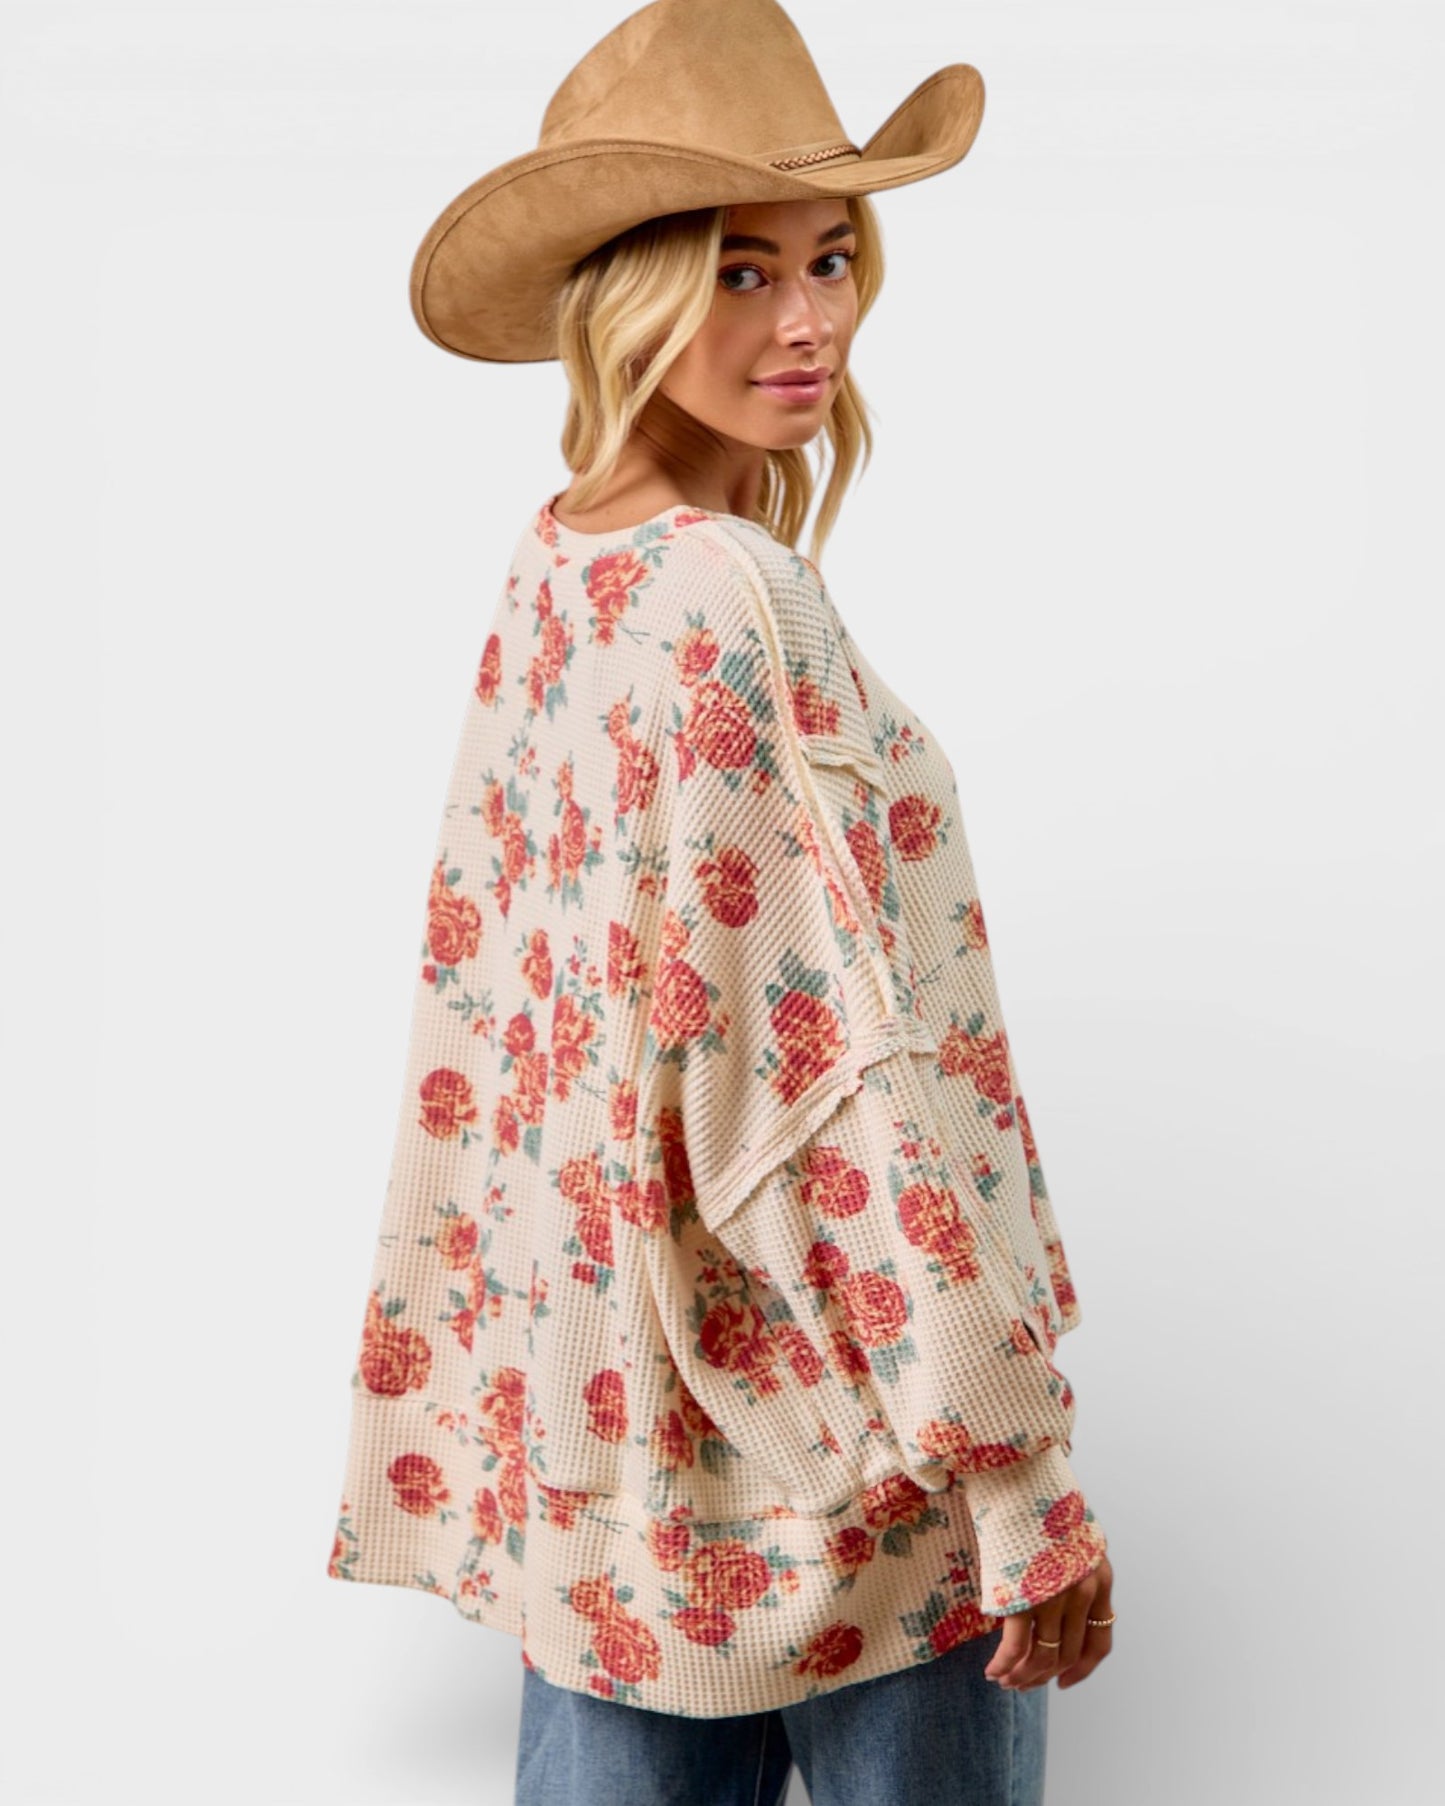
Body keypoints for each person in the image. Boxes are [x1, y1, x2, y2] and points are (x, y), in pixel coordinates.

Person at [325, 3, 1116, 1801]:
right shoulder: (726, 596)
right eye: (740, 273)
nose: (808, 319)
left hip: (618, 1499)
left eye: (829, 257)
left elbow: (518, 1060)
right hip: (848, 1472)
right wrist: (1011, 1465)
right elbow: (819, 1082)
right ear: (627, 297)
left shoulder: (560, 564)